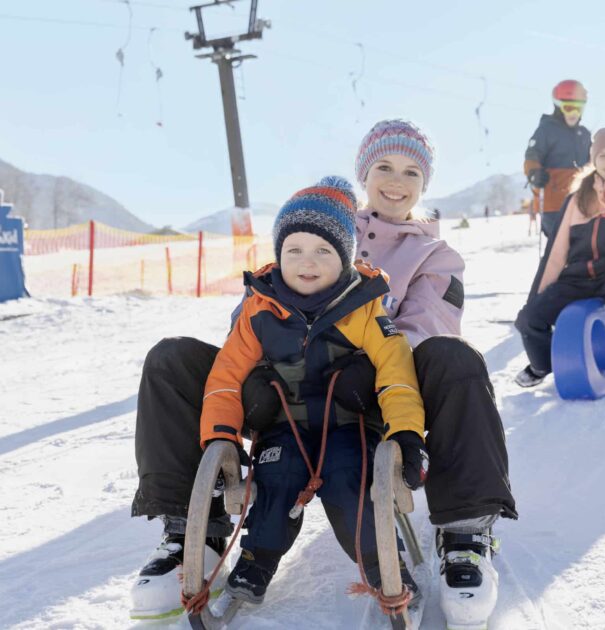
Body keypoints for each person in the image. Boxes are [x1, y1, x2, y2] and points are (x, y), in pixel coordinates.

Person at [130, 119, 517, 630]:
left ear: (425, 184)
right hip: (281, 387)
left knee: (455, 358)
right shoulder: (315, 220)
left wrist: (356, 359)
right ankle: (190, 533)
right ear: (364, 172)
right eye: (383, 166)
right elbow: (249, 320)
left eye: (409, 172)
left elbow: (426, 333)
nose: (395, 181)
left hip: (370, 394)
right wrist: (265, 372)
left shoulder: (434, 256)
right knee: (172, 359)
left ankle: (466, 533)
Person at [201, 176, 427, 606]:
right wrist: (220, 436)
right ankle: (257, 559)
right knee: (276, 480)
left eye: (323, 250)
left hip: (349, 426)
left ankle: (383, 565)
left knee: (351, 485)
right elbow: (226, 378)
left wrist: (406, 433)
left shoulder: (364, 307)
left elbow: (397, 374)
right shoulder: (259, 309)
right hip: (285, 427)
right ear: (279, 254)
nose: (308, 262)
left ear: (344, 258)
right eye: (294, 250)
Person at [515, 125, 605, 388]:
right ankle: (542, 364)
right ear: (594, 158)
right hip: (577, 279)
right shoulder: (578, 199)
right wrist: (536, 298)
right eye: (604, 156)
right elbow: (556, 254)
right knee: (529, 318)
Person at [524, 79, 591, 237]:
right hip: (553, 203)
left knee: (582, 244)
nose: (574, 113)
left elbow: (593, 162)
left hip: (581, 200)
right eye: (569, 108)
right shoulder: (546, 130)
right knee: (560, 243)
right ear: (558, 107)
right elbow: (532, 155)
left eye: (578, 108)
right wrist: (534, 172)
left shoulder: (585, 134)